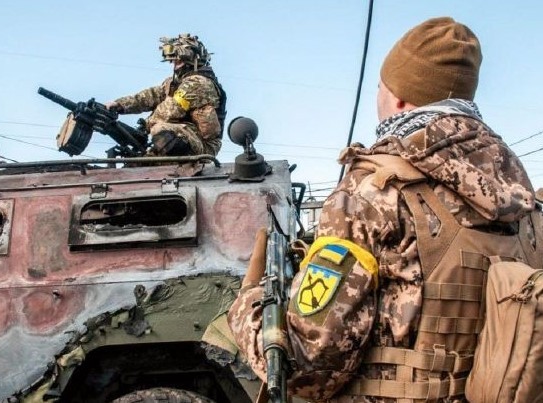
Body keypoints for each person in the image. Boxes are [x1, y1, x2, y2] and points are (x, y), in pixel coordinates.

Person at [227, 17, 543, 402]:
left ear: (399, 97)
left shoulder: (372, 191)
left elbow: (308, 368)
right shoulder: (526, 203)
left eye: (380, 86)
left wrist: (249, 303)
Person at [105, 33, 226, 156]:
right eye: (174, 60)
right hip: (180, 136)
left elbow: (171, 108)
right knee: (140, 160)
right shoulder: (174, 83)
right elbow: (149, 96)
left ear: (193, 58)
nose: (174, 63)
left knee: (159, 129)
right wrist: (119, 105)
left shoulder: (199, 83)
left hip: (203, 145)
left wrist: (144, 128)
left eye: (179, 59)